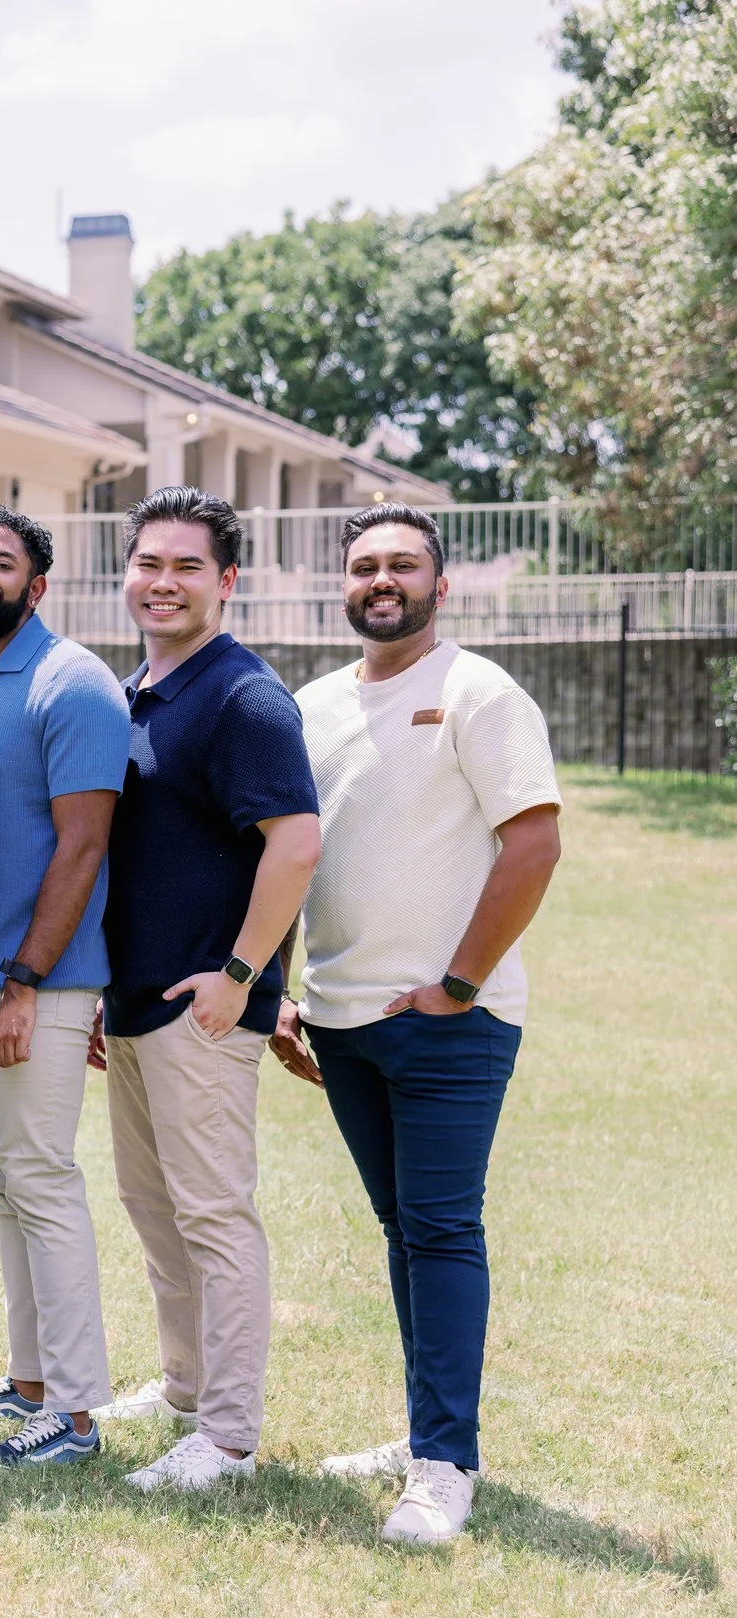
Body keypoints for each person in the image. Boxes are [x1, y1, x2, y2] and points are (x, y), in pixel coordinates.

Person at [272, 502, 562, 1545]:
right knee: (404, 1230)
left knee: (440, 1229)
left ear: (441, 585)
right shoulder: (310, 706)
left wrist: (458, 983)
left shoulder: (479, 691)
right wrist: (281, 993)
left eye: (402, 564)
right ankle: (423, 1431)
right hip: (339, 1021)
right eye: (364, 565)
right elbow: (293, 855)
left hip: (449, 1022)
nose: (381, 579)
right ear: (342, 585)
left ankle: (445, 1464)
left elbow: (534, 844)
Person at [98, 486, 321, 1494]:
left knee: (214, 1216)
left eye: (187, 565)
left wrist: (240, 976)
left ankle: (227, 1437)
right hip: (134, 1004)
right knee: (156, 1210)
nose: (164, 581)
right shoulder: (138, 690)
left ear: (226, 581)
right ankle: (185, 1387)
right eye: (149, 562)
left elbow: (297, 842)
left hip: (205, 1008)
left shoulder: (243, 697)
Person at [0, 506, 130, 1469]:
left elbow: (83, 846)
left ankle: (76, 1416)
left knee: (41, 1181)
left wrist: (25, 982)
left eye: (1, 563)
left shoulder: (71, 682)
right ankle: (30, 1380)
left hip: (35, 985)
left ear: (36, 586)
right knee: (4, 1184)